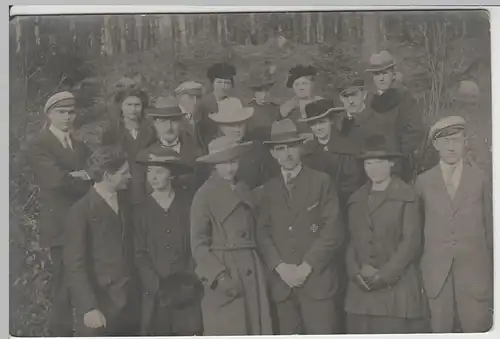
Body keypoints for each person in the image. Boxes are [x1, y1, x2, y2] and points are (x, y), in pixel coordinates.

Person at [257, 119, 344, 334]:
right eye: (280, 148)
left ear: (301, 148)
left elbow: (333, 230)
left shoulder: (321, 182)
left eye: (291, 147)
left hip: (317, 283)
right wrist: (280, 267)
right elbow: (262, 233)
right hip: (283, 287)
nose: (287, 154)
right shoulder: (266, 190)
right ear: (273, 153)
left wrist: (306, 267)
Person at [415, 116, 493, 333]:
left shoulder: (481, 179)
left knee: (476, 328)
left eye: (457, 140)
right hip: (436, 276)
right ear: (436, 145)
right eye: (446, 141)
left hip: (474, 275)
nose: (452, 147)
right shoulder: (423, 182)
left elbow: (491, 232)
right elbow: (417, 233)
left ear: (465, 142)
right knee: (440, 329)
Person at [344, 134, 428, 334]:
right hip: (360, 295)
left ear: (391, 163)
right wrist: (355, 272)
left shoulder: (408, 196)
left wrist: (384, 276)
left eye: (379, 162)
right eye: (368, 163)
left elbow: (411, 243)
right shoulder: (356, 200)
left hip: (396, 293)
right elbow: (350, 242)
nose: (373, 168)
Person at [190, 136, 273, 335]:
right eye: (224, 163)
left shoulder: (244, 189)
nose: (230, 168)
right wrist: (219, 276)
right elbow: (198, 244)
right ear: (214, 166)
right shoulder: (204, 195)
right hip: (225, 270)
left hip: (251, 268)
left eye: (233, 162)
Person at [28, 91, 93, 337]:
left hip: (84, 223)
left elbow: (95, 174)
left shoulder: (80, 146)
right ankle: (59, 333)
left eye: (70, 112)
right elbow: (56, 181)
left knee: (87, 280)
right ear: (49, 115)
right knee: (64, 285)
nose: (67, 117)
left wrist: (80, 176)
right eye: (61, 112)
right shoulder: (40, 144)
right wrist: (81, 177)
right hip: (60, 227)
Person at [63, 146, 140, 336]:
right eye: (124, 173)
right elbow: (75, 264)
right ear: (107, 176)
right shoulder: (81, 211)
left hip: (129, 304)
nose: (130, 176)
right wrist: (89, 308)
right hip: (100, 307)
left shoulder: (125, 202)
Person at [134, 145, 203, 336]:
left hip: (187, 292)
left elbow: (197, 243)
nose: (153, 177)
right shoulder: (140, 210)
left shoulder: (189, 205)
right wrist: (156, 286)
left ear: (171, 175)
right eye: (149, 172)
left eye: (159, 171)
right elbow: (139, 253)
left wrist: (187, 282)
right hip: (156, 295)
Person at [366, 51, 425, 182]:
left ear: (393, 73)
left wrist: (398, 154)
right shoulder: (369, 100)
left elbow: (416, 130)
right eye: (377, 74)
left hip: (397, 166)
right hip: (371, 165)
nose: (381, 78)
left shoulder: (404, 98)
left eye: (385, 73)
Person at [301, 98, 365, 214]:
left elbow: (352, 185)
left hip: (344, 208)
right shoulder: (306, 153)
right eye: (314, 124)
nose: (319, 128)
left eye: (322, 122)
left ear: (331, 121)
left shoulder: (347, 149)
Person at [101, 83, 156, 203]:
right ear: (121, 106)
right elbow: (106, 162)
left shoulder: (150, 131)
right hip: (122, 187)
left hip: (146, 186)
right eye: (128, 105)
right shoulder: (112, 132)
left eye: (137, 105)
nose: (133, 109)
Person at [209, 99, 279, 191]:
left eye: (240, 124)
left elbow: (270, 180)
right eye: (232, 125)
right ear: (220, 126)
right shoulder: (213, 150)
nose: (237, 129)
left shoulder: (257, 148)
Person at [147, 96, 205, 192]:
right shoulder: (147, 154)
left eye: (174, 121)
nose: (169, 127)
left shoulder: (196, 152)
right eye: (163, 121)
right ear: (155, 124)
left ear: (181, 123)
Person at [194, 62, 242, 152]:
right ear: (213, 83)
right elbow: (197, 132)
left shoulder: (234, 103)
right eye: (219, 82)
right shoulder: (204, 103)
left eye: (227, 83)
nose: (223, 87)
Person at [279, 64, 323, 139]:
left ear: (312, 85)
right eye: (297, 84)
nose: (301, 88)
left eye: (304, 83)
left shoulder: (322, 105)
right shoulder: (287, 110)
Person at [246, 65, 281, 142]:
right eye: (259, 91)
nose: (264, 95)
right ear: (254, 91)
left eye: (267, 90)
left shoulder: (275, 109)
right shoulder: (247, 110)